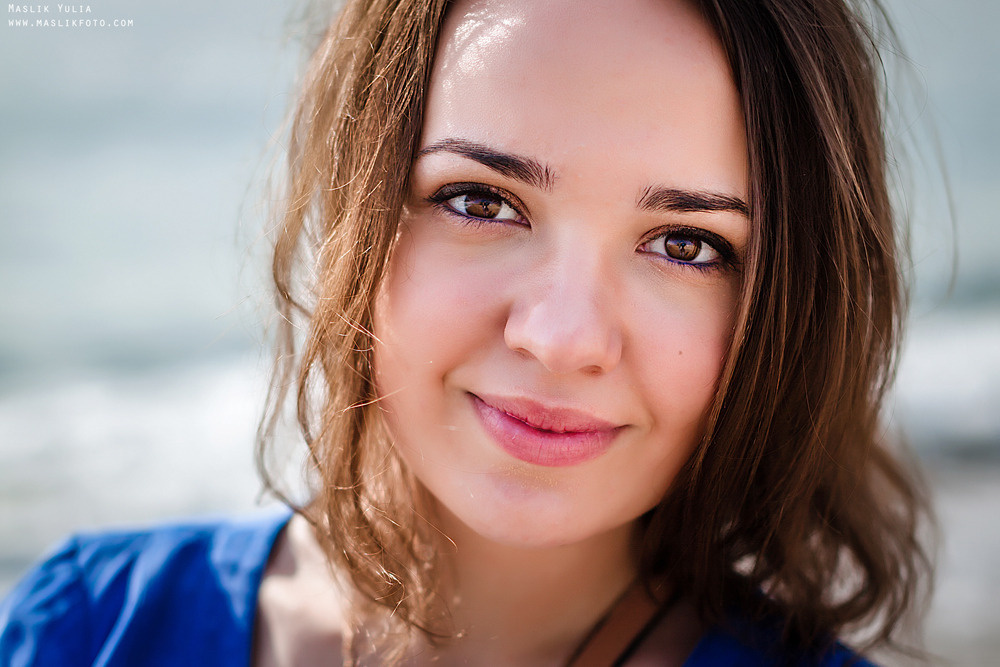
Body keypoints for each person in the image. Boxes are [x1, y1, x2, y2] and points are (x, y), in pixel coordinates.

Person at [0, 0, 933, 664]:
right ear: (358, 200)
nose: (561, 337)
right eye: (481, 200)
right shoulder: (94, 630)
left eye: (686, 244)